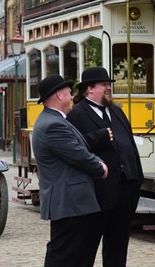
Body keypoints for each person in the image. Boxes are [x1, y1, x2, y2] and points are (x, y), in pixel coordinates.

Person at [66, 67, 144, 267]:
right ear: (89, 89)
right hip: (97, 191)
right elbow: (73, 148)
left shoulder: (116, 111)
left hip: (125, 188)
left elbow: (130, 146)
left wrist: (137, 178)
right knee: (88, 244)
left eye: (109, 84)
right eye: (104, 85)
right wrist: (96, 138)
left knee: (118, 244)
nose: (108, 88)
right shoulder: (77, 114)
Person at [32, 74, 108, 267]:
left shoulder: (55, 120)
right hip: (68, 201)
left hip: (71, 202)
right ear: (59, 95)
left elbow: (79, 148)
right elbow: (78, 154)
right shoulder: (53, 125)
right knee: (63, 255)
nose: (73, 96)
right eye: (69, 92)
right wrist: (99, 166)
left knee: (73, 254)